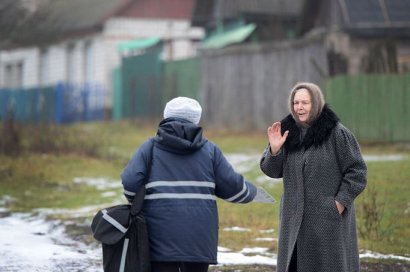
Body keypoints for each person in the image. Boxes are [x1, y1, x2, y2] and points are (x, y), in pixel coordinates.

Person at [121, 96, 257, 272]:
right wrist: (252, 191)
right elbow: (233, 188)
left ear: (166, 116)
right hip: (199, 242)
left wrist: (137, 203)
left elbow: (130, 181)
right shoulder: (210, 150)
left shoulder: (150, 147)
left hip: (158, 239)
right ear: (196, 119)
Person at [260, 82, 367, 272]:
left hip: (327, 221)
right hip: (293, 221)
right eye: (296, 102)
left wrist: (339, 203)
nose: (299, 107)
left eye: (305, 103)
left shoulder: (337, 134)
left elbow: (357, 171)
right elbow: (272, 171)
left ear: (316, 103)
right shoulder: (287, 133)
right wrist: (275, 150)